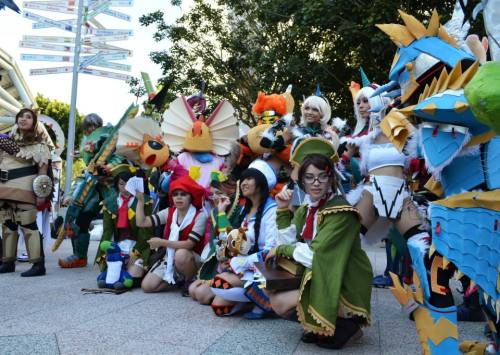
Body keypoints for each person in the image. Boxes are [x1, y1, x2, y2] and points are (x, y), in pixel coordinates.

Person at [267, 138, 372, 349]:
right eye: (310, 177)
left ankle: (347, 325)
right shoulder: (307, 209)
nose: (316, 183)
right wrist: (281, 210)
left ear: (331, 179)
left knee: (280, 302)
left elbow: (314, 255)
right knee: (273, 293)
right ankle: (319, 325)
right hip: (321, 273)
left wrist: (282, 249)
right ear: (302, 181)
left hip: (343, 280)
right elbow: (288, 241)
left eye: (322, 177)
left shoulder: (341, 212)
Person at [190, 160, 278, 318]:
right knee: (217, 306)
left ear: (261, 183)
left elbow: (271, 250)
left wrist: (239, 263)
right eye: (242, 179)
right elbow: (233, 239)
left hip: (263, 269)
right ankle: (252, 301)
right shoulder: (246, 209)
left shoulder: (273, 211)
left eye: (249, 179)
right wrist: (221, 212)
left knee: (218, 283)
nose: (243, 183)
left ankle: (265, 301)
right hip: (241, 268)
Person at [0, 108, 54, 277]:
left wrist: (41, 195)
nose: (24, 119)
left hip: (25, 189)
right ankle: (7, 261)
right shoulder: (5, 141)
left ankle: (38, 265)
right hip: (4, 187)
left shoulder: (40, 145)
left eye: (28, 117)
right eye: (21, 116)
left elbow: (43, 172)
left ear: (34, 122)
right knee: (7, 223)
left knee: (28, 225)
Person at [135, 175, 207, 294]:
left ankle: (190, 280)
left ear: (191, 197)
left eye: (183, 194)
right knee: (147, 286)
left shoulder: (200, 216)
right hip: (170, 257)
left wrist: (161, 242)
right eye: (175, 194)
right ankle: (177, 280)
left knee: (181, 254)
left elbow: (189, 244)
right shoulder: (169, 212)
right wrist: (140, 201)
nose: (178, 197)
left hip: (192, 259)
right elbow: (142, 222)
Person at [95, 170, 154, 285]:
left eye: (128, 184)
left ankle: (124, 276)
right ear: (117, 185)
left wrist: (135, 253)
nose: (126, 188)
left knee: (134, 273)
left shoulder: (144, 201)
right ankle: (117, 275)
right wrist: (108, 252)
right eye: (122, 184)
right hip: (118, 247)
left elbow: (146, 232)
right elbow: (107, 231)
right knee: (113, 269)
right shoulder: (110, 203)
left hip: (138, 246)